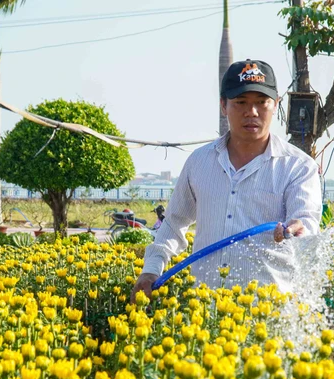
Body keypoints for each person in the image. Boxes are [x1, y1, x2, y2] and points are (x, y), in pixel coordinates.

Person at [130, 59, 322, 301]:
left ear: (275, 105)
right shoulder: (199, 162)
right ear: (223, 105)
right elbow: (173, 224)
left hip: (269, 310)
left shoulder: (298, 166)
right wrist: (151, 270)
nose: (251, 112)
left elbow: (307, 223)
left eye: (261, 103)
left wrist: (299, 228)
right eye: (241, 102)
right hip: (205, 310)